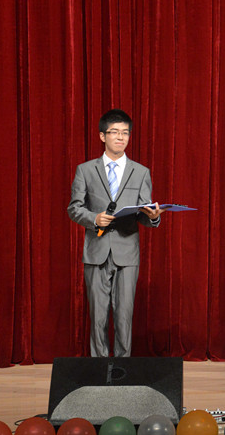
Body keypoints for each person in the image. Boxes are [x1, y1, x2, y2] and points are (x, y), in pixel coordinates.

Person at [67, 109, 165, 357]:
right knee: (98, 315)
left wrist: (153, 216)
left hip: (127, 251)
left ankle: (123, 368)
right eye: (114, 132)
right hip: (96, 250)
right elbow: (74, 208)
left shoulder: (140, 171)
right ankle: (99, 368)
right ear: (103, 136)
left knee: (124, 315)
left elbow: (144, 211)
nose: (121, 137)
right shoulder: (85, 170)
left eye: (125, 133)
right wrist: (94, 218)